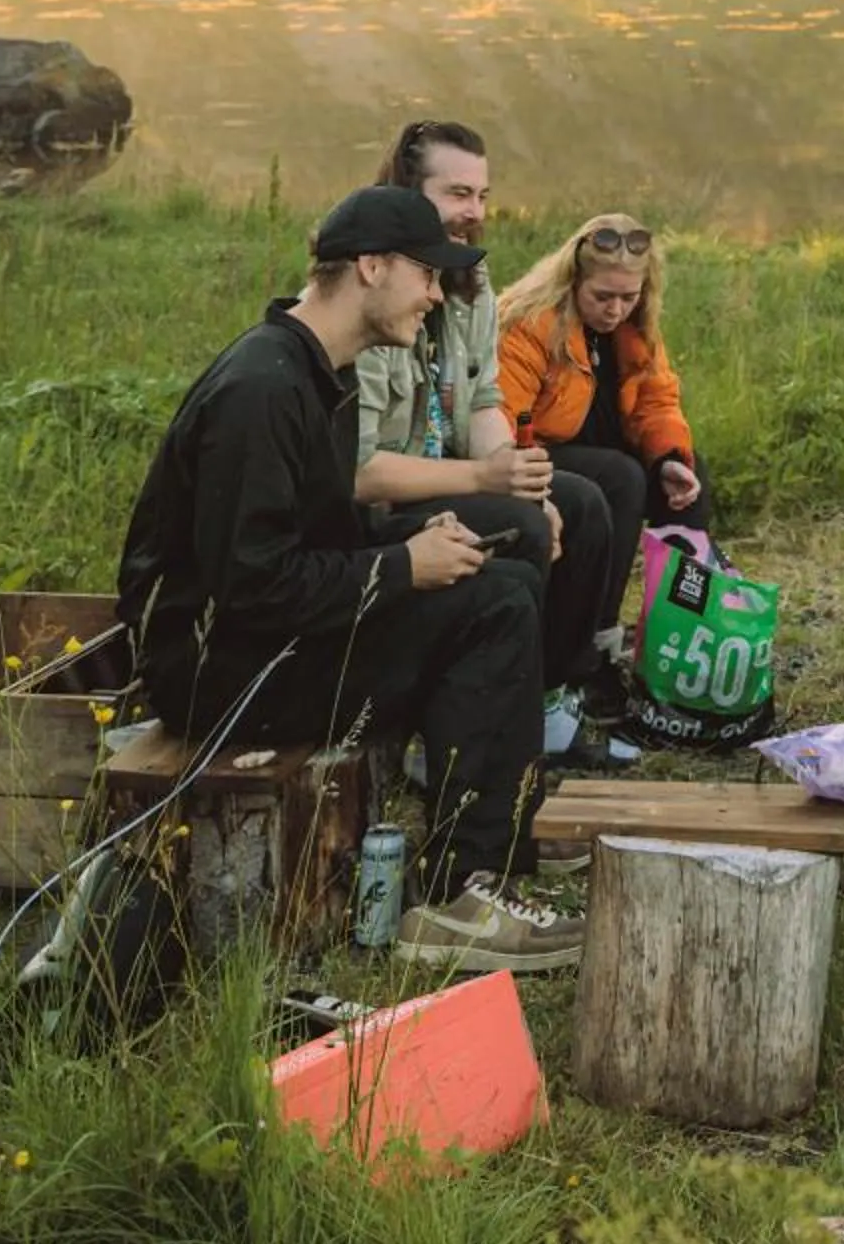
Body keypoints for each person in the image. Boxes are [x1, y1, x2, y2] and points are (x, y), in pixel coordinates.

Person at [115, 185, 583, 969]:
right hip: (218, 672)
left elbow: (317, 527)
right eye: (427, 275)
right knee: (493, 607)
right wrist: (400, 566)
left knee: (499, 569)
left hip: (261, 638)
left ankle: (499, 837)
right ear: (371, 266)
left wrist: (408, 541)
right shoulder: (261, 392)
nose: (437, 295)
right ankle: (464, 891)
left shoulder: (313, 368)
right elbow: (252, 588)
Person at [348, 118, 617, 756]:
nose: (474, 212)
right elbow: (356, 471)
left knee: (582, 504)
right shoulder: (375, 290)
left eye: (482, 196)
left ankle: (543, 699)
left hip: (447, 472)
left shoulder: (468, 280)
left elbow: (485, 397)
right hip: (384, 503)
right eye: (457, 194)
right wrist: (487, 483)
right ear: (409, 192)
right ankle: (461, 727)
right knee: (523, 528)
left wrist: (516, 479)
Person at [496, 214, 711, 664]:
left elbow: (657, 401)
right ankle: (597, 642)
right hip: (537, 451)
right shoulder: (528, 321)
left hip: (606, 451)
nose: (615, 310)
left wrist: (668, 457)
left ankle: (676, 633)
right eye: (603, 297)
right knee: (621, 478)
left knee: (690, 476)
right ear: (572, 281)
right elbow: (500, 420)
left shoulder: (638, 326)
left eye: (628, 297)